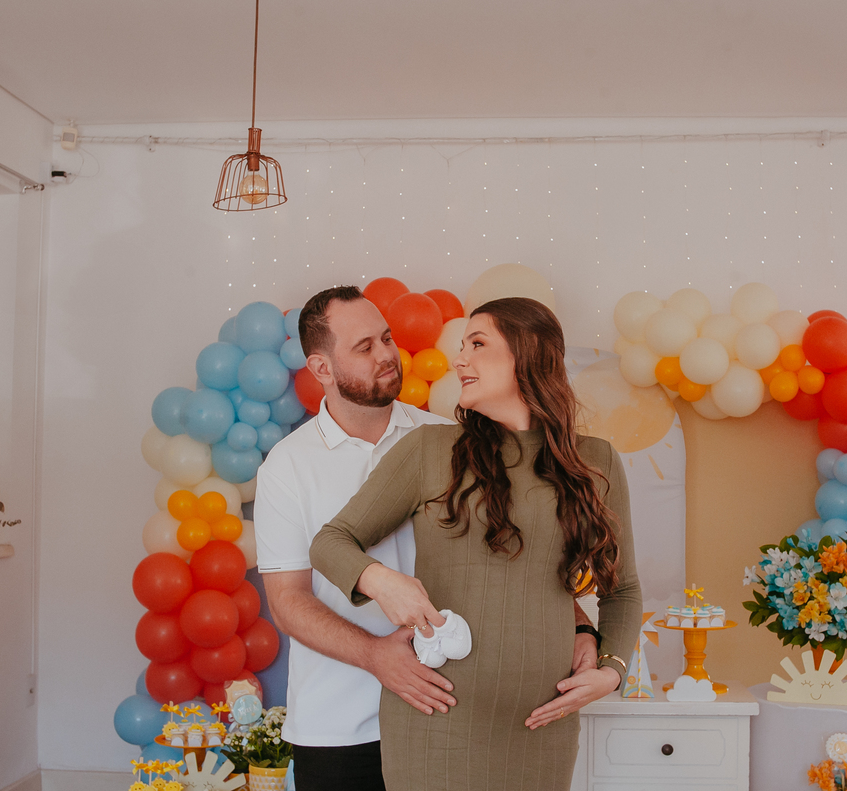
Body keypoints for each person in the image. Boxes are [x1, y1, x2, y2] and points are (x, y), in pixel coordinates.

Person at [254, 287, 599, 791]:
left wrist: (580, 626)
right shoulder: (287, 467)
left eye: (387, 338)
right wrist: (376, 655)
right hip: (339, 724)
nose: (386, 355)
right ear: (322, 369)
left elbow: (524, 555)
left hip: (453, 711)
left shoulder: (455, 440)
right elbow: (287, 603)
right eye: (364, 347)